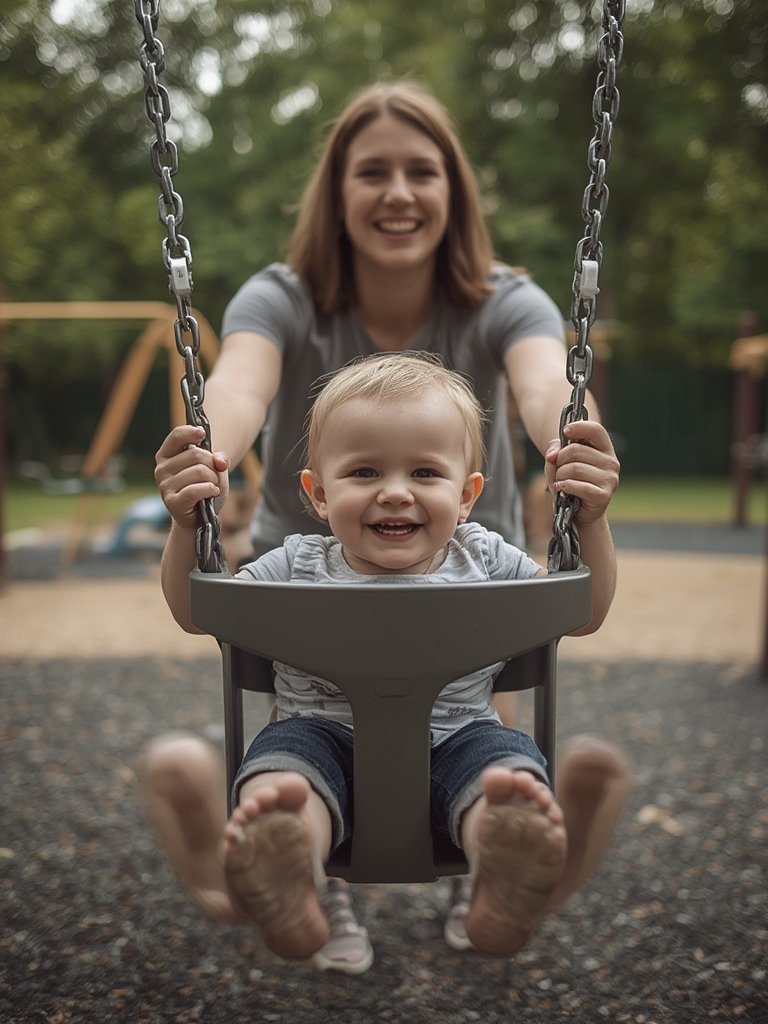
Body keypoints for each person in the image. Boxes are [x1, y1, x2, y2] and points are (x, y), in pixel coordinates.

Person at [153, 79, 629, 968]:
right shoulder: (284, 295)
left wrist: (577, 457)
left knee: (488, 758)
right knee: (293, 768)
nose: (400, 193)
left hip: (465, 579)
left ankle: (492, 877)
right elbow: (239, 387)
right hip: (319, 579)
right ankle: (304, 879)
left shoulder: (504, 296)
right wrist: (201, 468)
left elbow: (542, 388)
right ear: (337, 194)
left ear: (455, 190)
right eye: (372, 173)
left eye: (423, 171)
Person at [145, 351, 626, 963]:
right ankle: (289, 867)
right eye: (365, 472)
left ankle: (505, 866)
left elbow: (580, 612)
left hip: (464, 738)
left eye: (425, 473)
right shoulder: (296, 564)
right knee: (283, 784)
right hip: (316, 736)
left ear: (468, 494)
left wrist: (592, 524)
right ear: (318, 494)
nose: (395, 493)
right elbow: (198, 610)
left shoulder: (485, 558)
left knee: (505, 780)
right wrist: (188, 527)